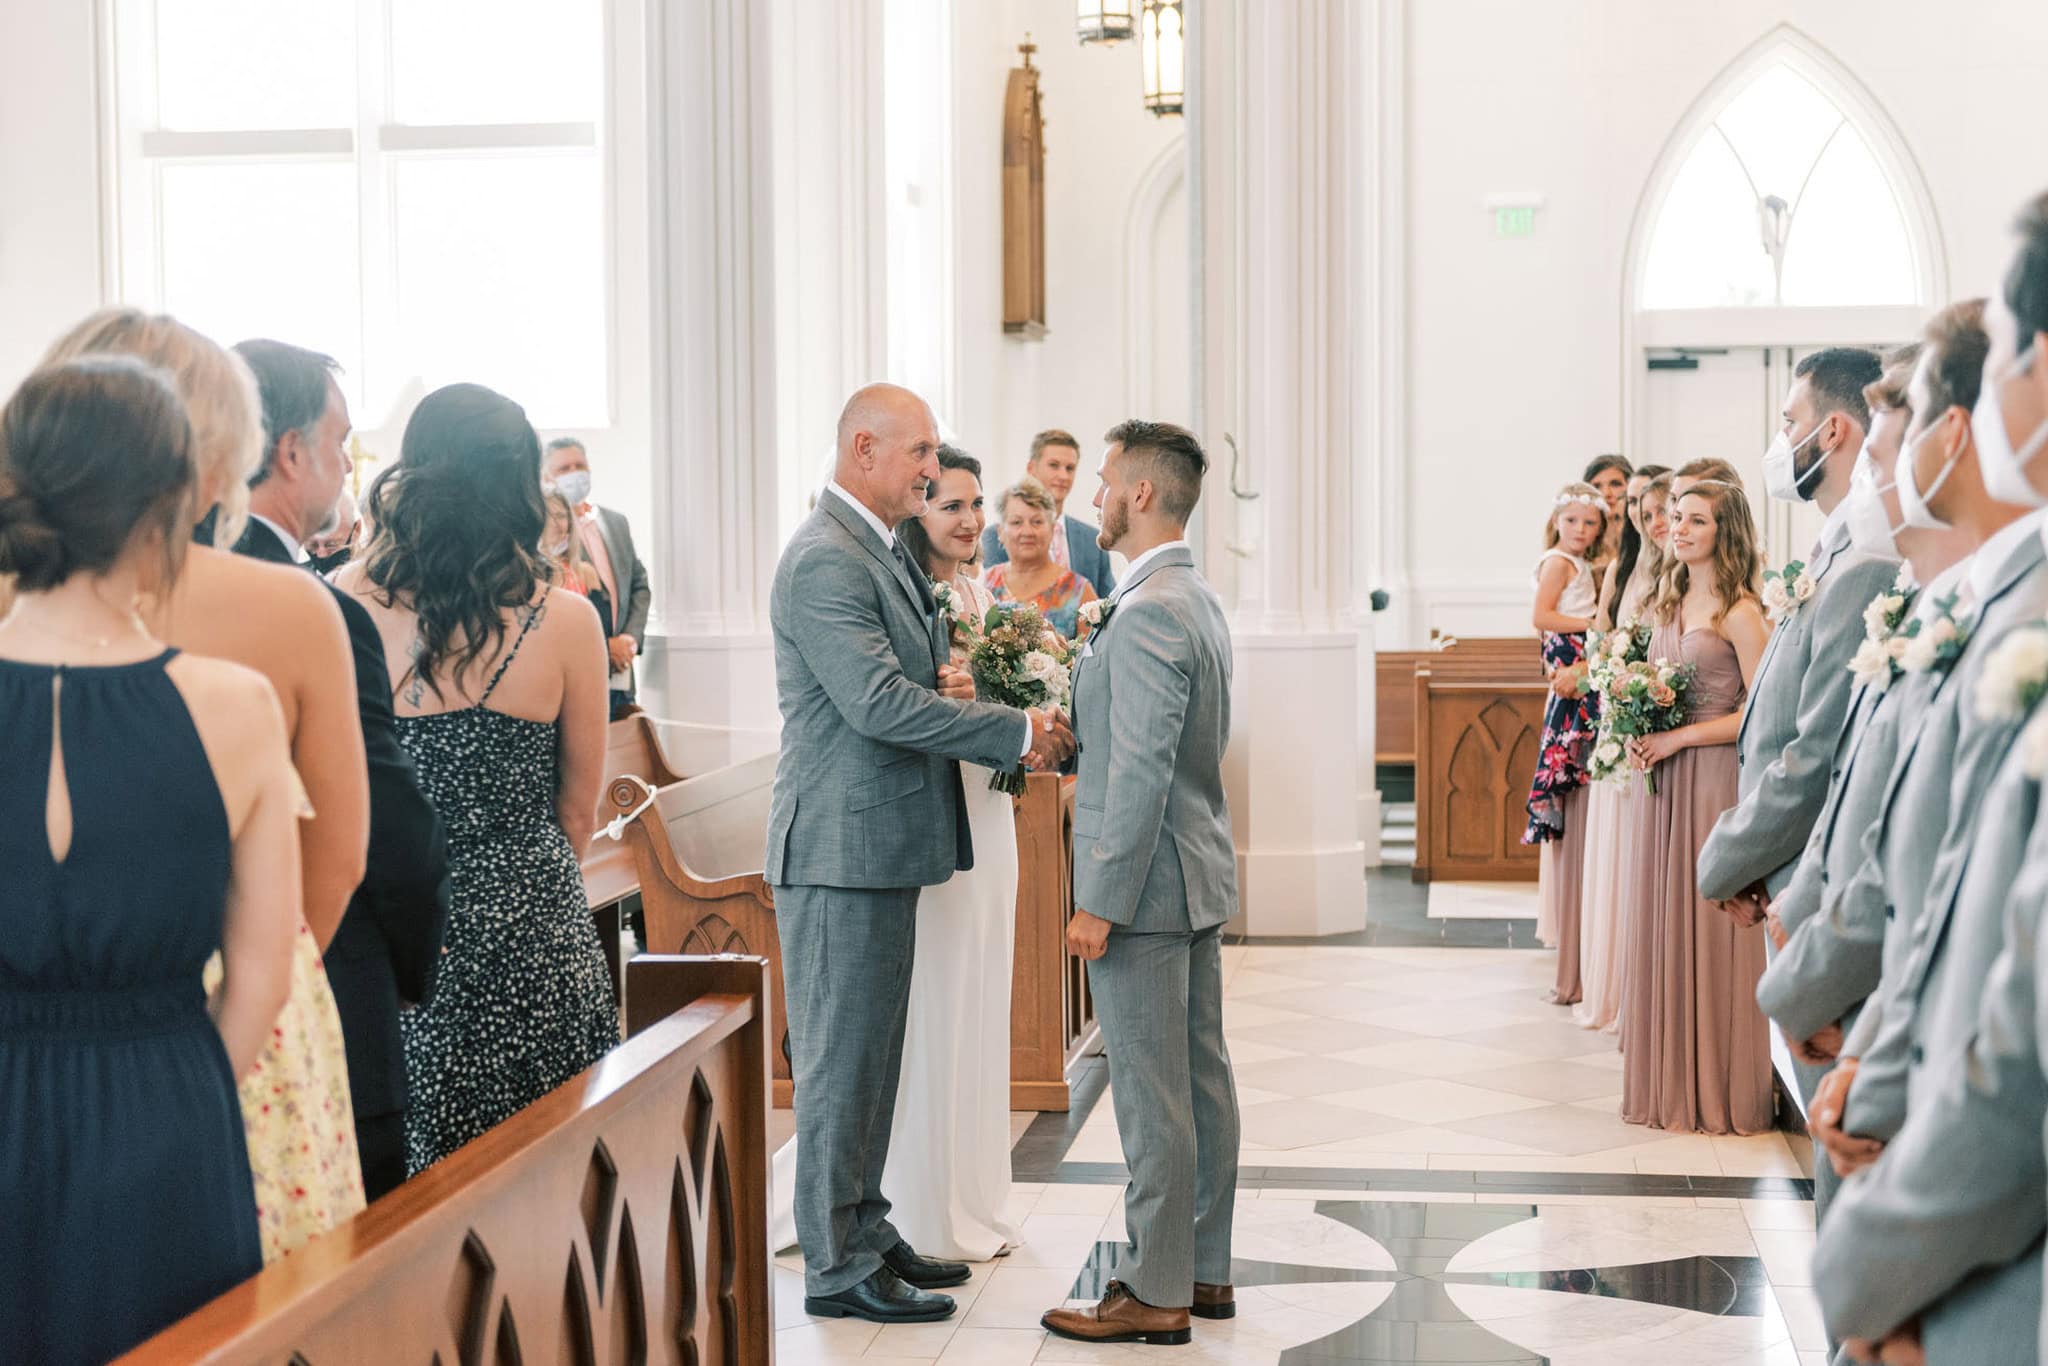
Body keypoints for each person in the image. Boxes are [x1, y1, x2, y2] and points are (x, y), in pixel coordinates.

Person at [42, 310, 370, 1259]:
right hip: (237, 1015)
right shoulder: (291, 607)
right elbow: (336, 860)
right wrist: (246, 963)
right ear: (219, 450)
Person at [0, 355, 300, 1363]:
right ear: (170, 506)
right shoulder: (236, 706)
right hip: (168, 1104)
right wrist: (168, 1084)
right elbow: (261, 975)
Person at [767, 384, 1071, 1326]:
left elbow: (907, 674)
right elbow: (875, 705)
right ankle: (835, 1260)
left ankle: (865, 1223)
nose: (933, 469)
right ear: (865, 447)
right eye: (920, 453)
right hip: (839, 846)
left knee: (873, 1056)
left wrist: (953, 673)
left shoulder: (873, 547)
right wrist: (1014, 731)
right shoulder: (825, 557)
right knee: (841, 1063)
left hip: (880, 844)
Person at [1810, 292, 2048, 1364]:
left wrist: (1880, 1270)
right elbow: (1942, 882)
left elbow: (2016, 1035)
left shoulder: (2015, 616)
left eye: (2008, 364)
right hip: (1908, 1103)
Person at [335, 384, 620, 1175]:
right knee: (551, 1173)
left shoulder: (342, 604)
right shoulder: (564, 621)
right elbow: (575, 810)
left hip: (400, 938)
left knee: (418, 1181)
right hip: (532, 928)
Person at [1752, 345, 1973, 1239]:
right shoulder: (1907, 587)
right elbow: (1861, 777)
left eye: (1883, 458)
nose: (1876, 480)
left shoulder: (1906, 584)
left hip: (1896, 990)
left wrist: (1811, 968)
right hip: (1840, 937)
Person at [230, 338, 452, 1204]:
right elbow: (385, 839)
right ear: (291, 453)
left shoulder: (152, 590)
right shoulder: (315, 610)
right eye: (340, 441)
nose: (346, 462)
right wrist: (397, 976)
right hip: (320, 998)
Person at [1041, 421, 1238, 1348]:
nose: (1097, 496)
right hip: (1190, 876)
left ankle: (1153, 1291)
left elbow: (1147, 767)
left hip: (1148, 891)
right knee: (1199, 1084)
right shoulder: (1190, 594)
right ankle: (1202, 1268)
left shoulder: (1153, 604)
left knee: (1152, 1096)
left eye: (1109, 479)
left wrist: (1100, 901)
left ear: (1145, 494)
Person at [1698, 349, 1897, 939]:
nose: (1780, 442)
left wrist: (1727, 862)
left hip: (1810, 886)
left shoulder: (1864, 565)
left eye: (1789, 422)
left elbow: (1816, 752)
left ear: (1832, 429)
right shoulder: (1832, 552)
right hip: (1782, 869)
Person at [1618, 479, 1772, 1134]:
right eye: (1675, 518)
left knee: (1711, 925)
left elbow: (1761, 714)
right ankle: (1669, 1085)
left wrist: (1677, 735)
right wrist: (1636, 719)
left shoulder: (1741, 611)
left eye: (1694, 521)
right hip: (1664, 786)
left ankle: (1721, 1089)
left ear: (1724, 531)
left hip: (1712, 780)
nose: (1676, 529)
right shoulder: (1665, 599)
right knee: (1664, 915)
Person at [1574, 469, 1671, 1032]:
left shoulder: (1676, 570)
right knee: (1614, 847)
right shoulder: (1621, 567)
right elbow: (1603, 634)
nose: (1643, 516)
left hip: (1652, 720)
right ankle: (1610, 982)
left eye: (1656, 507)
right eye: (1636, 504)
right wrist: (1608, 666)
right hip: (1619, 719)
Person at [1523, 482, 1605, 1002]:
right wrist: (1593, 623)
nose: (1580, 530)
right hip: (1575, 649)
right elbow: (1541, 617)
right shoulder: (1559, 562)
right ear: (1557, 521)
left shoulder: (1583, 563)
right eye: (1572, 521)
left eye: (1589, 523)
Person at [541, 437, 649, 719]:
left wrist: (629, 639)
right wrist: (603, 647)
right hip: (578, 670)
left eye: (580, 465)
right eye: (564, 469)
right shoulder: (547, 536)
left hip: (620, 672)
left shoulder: (614, 522)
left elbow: (638, 583)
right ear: (546, 477)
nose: (574, 473)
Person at [980, 427, 1118, 597]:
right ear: (1031, 468)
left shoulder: (1092, 540)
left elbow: (1107, 604)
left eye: (1070, 468)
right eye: (1054, 465)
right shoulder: (995, 536)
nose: (1063, 476)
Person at [985, 476, 1100, 640]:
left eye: (1037, 522)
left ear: (1053, 529)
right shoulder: (985, 584)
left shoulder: (1079, 591)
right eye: (1016, 522)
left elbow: (1094, 660)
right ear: (1000, 531)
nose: (1027, 531)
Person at [542, 485, 616, 646]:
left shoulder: (586, 572)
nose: (554, 523)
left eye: (561, 516)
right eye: (548, 515)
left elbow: (603, 627)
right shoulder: (530, 574)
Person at [1582, 453, 1634, 568]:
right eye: (1596, 486)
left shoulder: (1642, 534)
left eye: (1615, 484)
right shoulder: (1577, 536)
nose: (1606, 493)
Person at [308, 486, 359, 576]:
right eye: (313, 546)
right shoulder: (289, 579)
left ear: (356, 530)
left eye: (331, 545)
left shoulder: (377, 581)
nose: (321, 555)